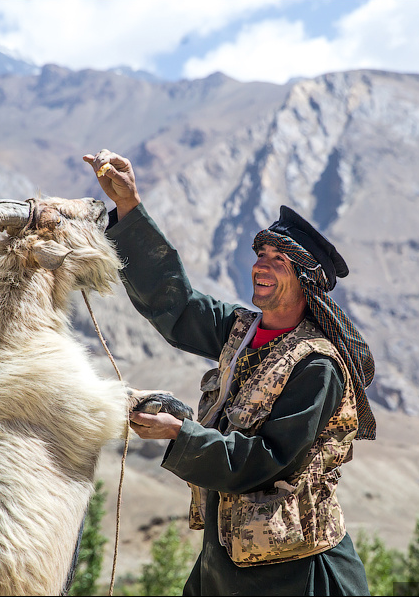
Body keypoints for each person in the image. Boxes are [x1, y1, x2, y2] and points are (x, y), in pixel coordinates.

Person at [84, 149, 377, 596]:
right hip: (225, 561)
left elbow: (267, 460)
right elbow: (175, 301)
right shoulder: (240, 332)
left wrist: (181, 434)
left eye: (278, 259)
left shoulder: (317, 365)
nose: (260, 264)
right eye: (260, 253)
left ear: (305, 280)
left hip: (294, 572)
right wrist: (129, 205)